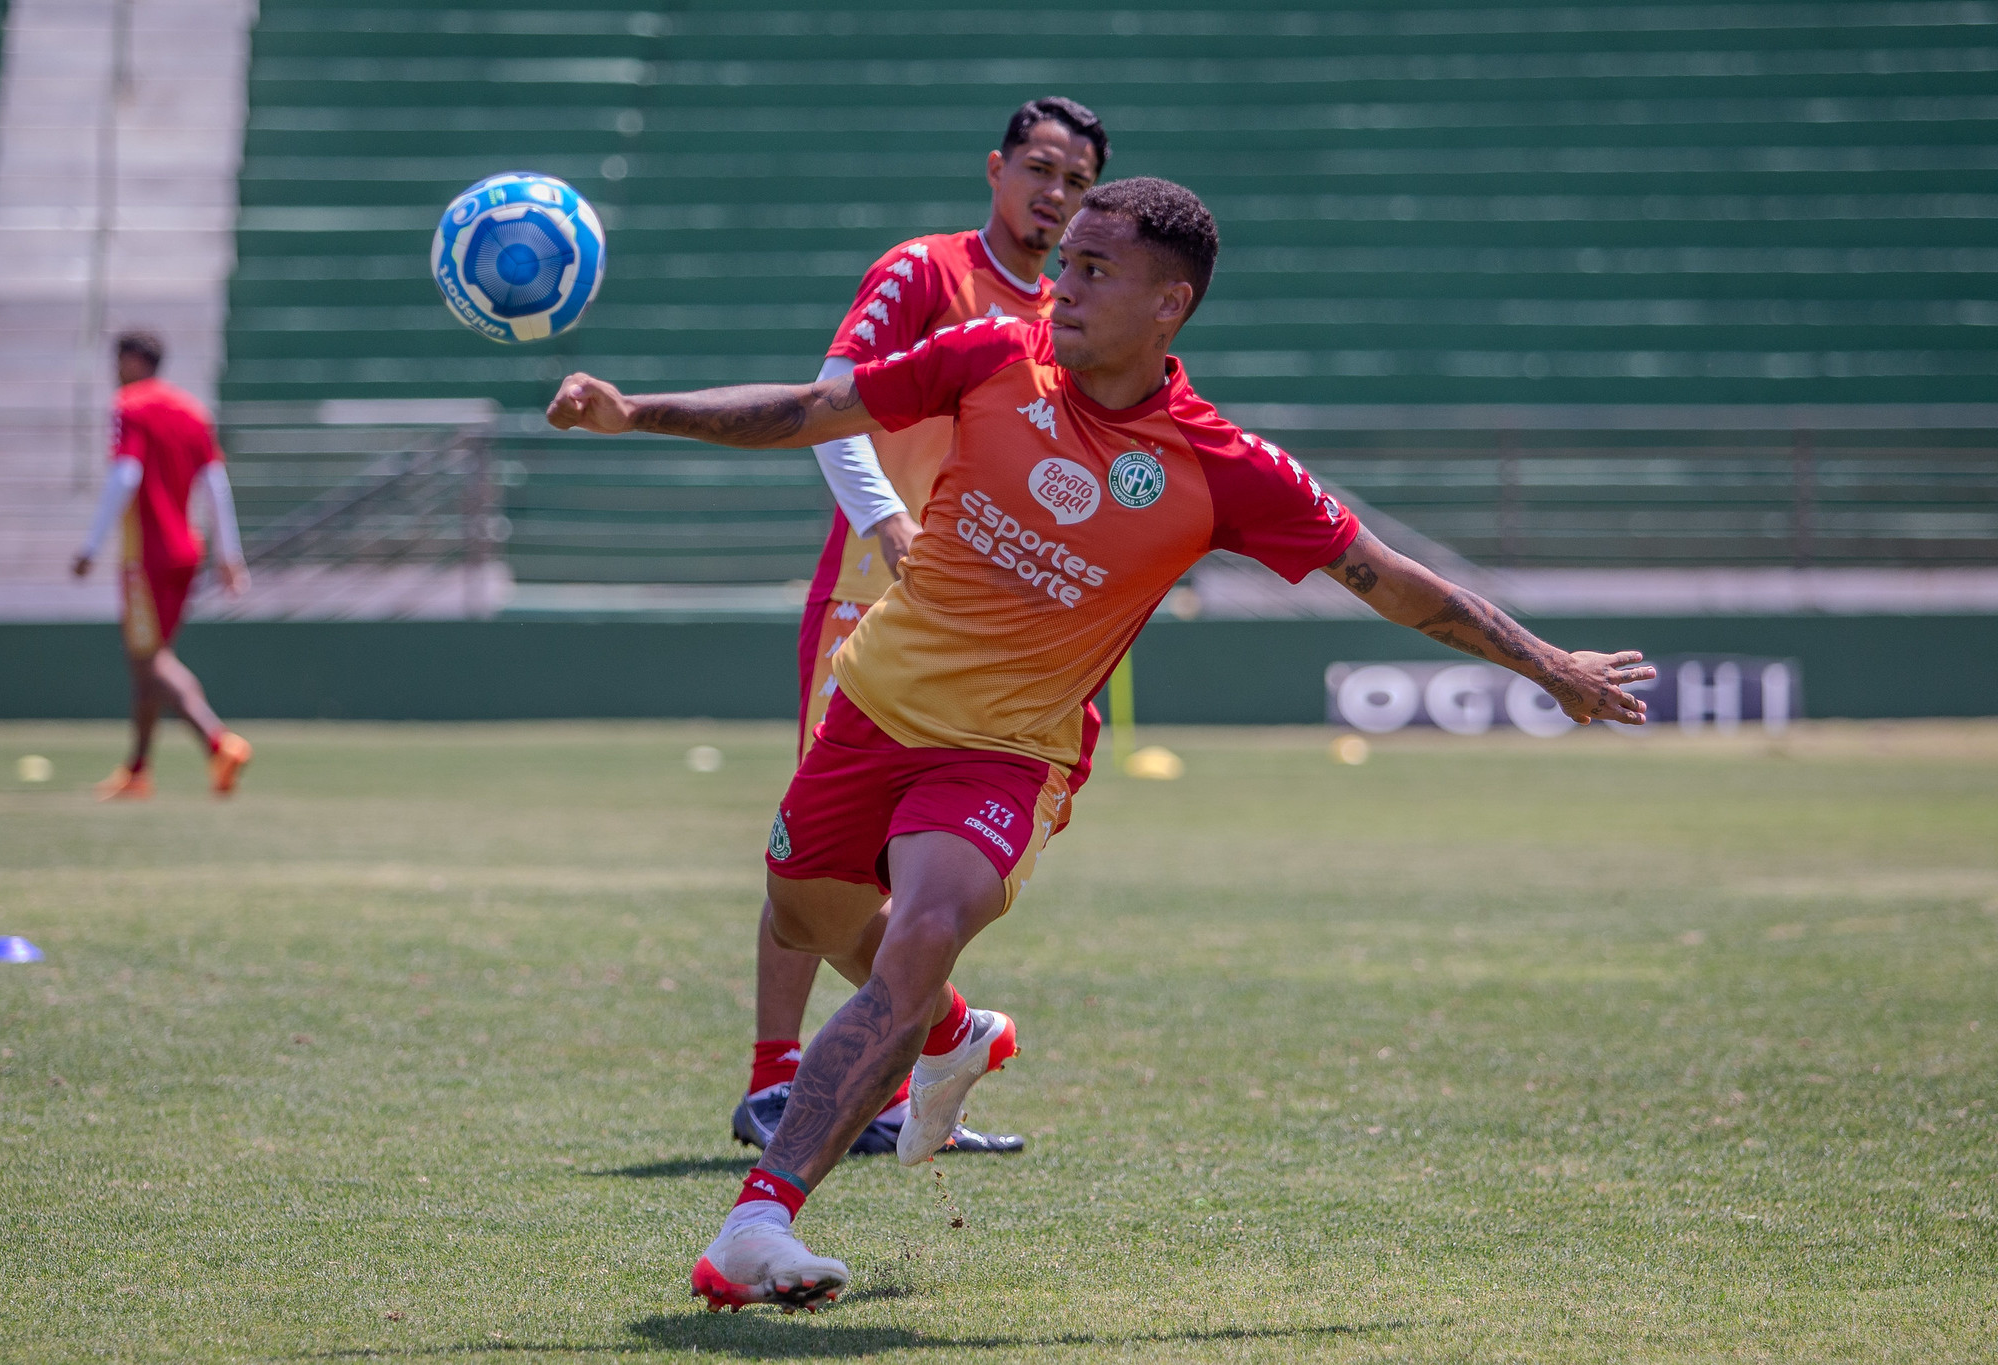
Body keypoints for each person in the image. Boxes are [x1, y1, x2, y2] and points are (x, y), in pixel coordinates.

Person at [546, 177, 1654, 1312]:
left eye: (1091, 270)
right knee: (805, 915)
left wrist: (1549, 666)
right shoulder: (990, 357)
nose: (1060, 288)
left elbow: (1386, 577)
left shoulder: (1222, 465)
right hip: (870, 708)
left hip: (1007, 752)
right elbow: (810, 409)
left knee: (917, 936)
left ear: (1169, 304)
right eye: (1063, 262)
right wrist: (636, 413)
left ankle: (757, 1221)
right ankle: (953, 1035)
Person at [734, 97, 1109, 1161]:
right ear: (995, 169)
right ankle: (775, 1080)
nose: (1054, 194)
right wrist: (886, 521)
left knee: (919, 871)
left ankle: (899, 1080)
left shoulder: (1074, 320)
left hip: (974, 632)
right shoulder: (924, 272)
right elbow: (831, 401)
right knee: (816, 852)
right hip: (870, 595)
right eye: (1039, 168)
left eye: (1076, 182)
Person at [72, 331, 253, 800]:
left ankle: (218, 741)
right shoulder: (193, 412)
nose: (114, 370)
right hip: (186, 552)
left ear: (135, 361)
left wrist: (91, 546)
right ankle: (138, 770)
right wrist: (229, 556)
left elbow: (126, 474)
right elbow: (215, 484)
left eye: (118, 360)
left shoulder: (129, 406)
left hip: (146, 557)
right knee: (147, 664)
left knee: (151, 660)